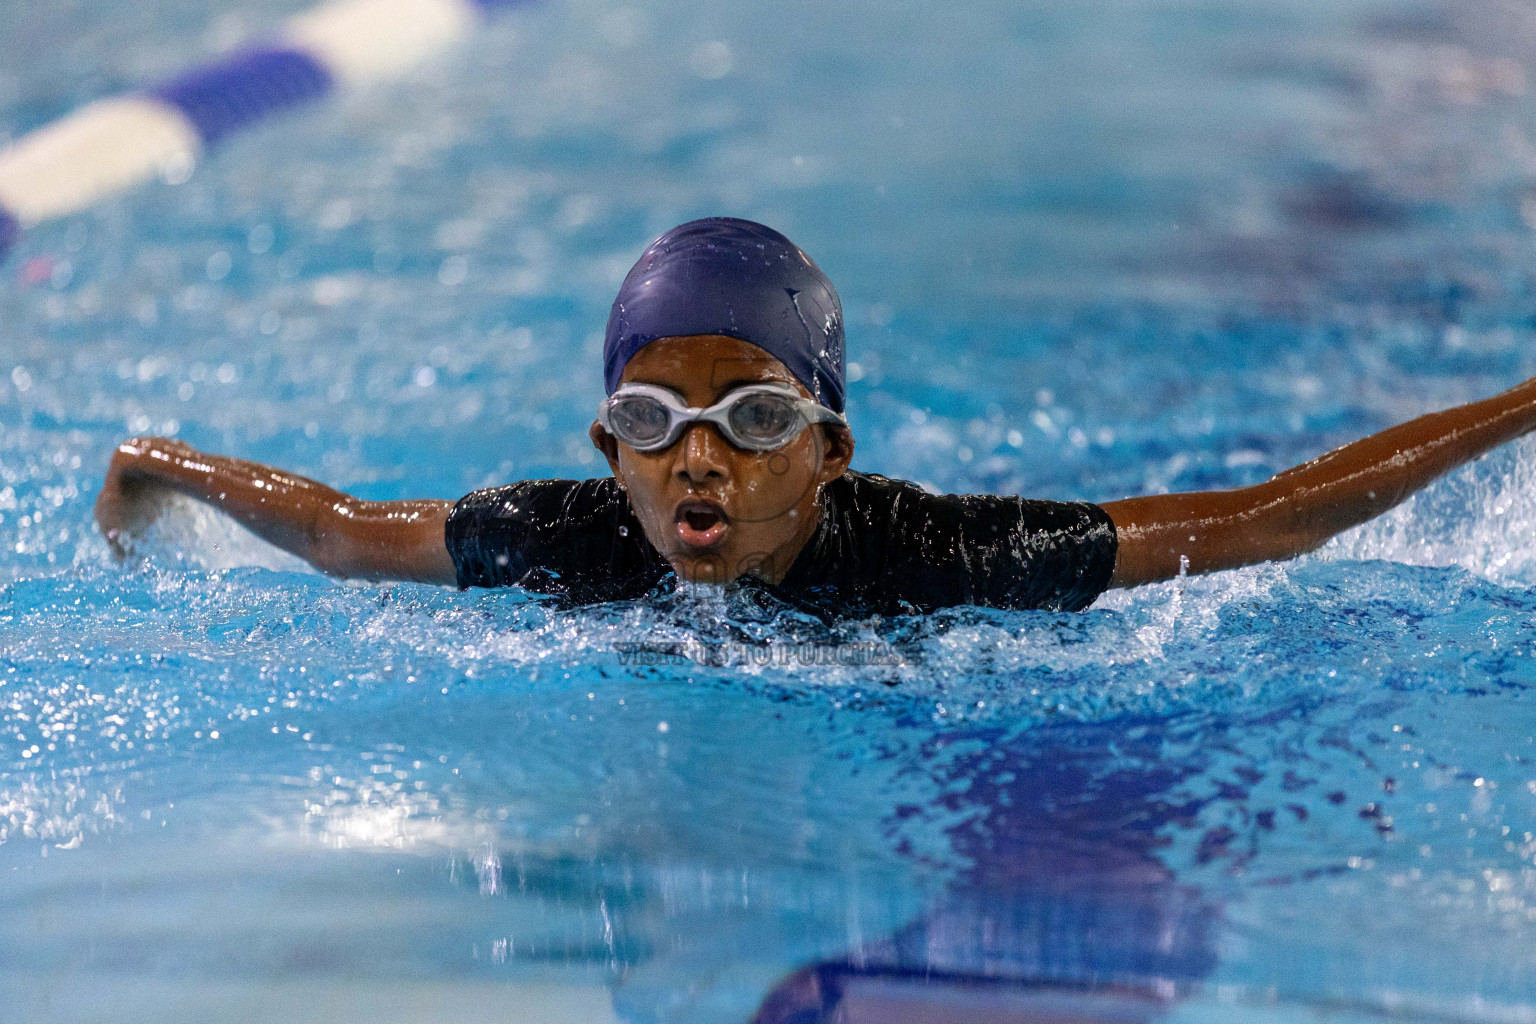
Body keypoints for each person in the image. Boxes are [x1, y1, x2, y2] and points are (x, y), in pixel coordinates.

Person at [94, 217, 1536, 616]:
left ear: (830, 452)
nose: (698, 458)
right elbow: (348, 535)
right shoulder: (579, 537)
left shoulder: (933, 555)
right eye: (654, 420)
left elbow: (1260, 521)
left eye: (757, 421)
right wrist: (158, 465)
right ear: (611, 450)